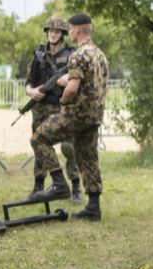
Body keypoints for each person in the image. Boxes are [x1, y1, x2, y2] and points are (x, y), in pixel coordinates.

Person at [29, 12, 109, 222]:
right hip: (94, 116)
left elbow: (72, 89)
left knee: (39, 138)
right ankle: (93, 206)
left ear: (76, 30)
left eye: (70, 29)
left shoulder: (78, 55)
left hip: (77, 114)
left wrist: (63, 103)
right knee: (88, 157)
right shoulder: (99, 54)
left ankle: (59, 183)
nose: (69, 32)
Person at [25, 15, 83, 203]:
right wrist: (31, 92)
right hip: (40, 108)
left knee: (68, 146)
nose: (52, 34)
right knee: (39, 146)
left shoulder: (72, 55)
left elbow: (80, 79)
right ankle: (38, 186)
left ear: (63, 33)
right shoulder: (38, 54)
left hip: (62, 106)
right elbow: (28, 83)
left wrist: (68, 77)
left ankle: (75, 186)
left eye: (56, 31)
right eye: (50, 30)